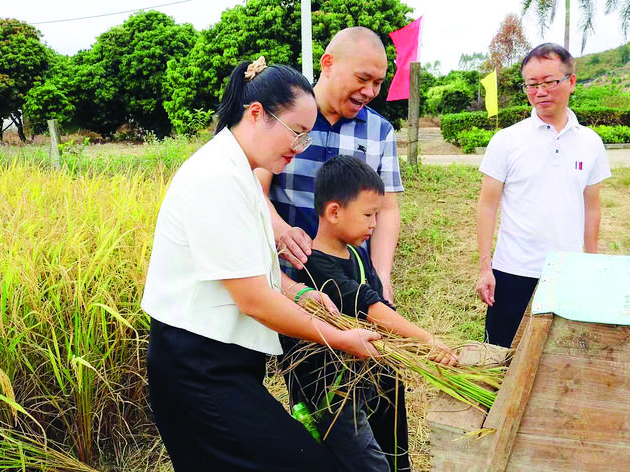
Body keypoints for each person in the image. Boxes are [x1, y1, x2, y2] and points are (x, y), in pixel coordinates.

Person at [141, 57, 383, 472]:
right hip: (197, 368)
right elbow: (254, 299)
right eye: (297, 133)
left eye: (306, 137)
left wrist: (304, 294)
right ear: (256, 114)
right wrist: (337, 338)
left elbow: (254, 271)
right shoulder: (218, 178)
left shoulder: (242, 173)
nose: (299, 147)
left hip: (218, 364)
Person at [254, 26, 408, 471]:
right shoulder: (288, 118)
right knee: (325, 396)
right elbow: (255, 188)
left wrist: (381, 279)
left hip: (355, 280)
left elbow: (389, 210)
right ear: (327, 63)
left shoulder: (378, 130)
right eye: (363, 78)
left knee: (382, 381)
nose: (371, 91)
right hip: (300, 287)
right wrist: (281, 229)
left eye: (378, 83)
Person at [282, 155, 458, 472]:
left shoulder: (358, 256)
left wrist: (415, 346)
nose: (374, 223)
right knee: (365, 462)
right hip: (333, 394)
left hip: (371, 378)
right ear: (334, 211)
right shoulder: (313, 266)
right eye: (368, 214)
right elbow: (372, 309)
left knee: (391, 451)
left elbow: (383, 308)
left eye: (376, 214)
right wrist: (426, 340)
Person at [475, 43, 612, 348]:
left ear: (571, 82)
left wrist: (590, 264)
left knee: (562, 356)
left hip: (568, 272)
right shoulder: (506, 140)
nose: (541, 91)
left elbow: (592, 209)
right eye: (532, 84)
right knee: (501, 354)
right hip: (513, 271)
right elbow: (487, 207)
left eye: (550, 82)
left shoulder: (590, 143)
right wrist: (486, 268)